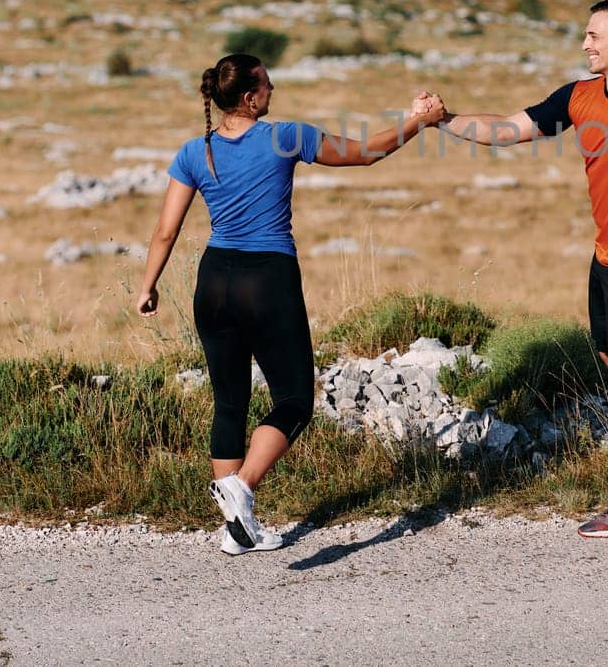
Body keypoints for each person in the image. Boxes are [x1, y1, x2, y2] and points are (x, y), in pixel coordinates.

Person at [135, 52, 446, 556]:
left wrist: (148, 285)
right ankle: (243, 487)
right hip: (267, 279)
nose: (274, 88)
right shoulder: (286, 136)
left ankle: (237, 529)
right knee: (296, 399)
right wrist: (418, 121)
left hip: (213, 281)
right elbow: (366, 153)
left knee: (229, 402)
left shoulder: (197, 150)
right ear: (250, 97)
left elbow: (165, 229)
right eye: (267, 83)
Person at [437, 0, 608, 538]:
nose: (585, 44)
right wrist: (445, 120)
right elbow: (510, 129)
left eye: (593, 35)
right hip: (604, 258)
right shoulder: (579, 96)